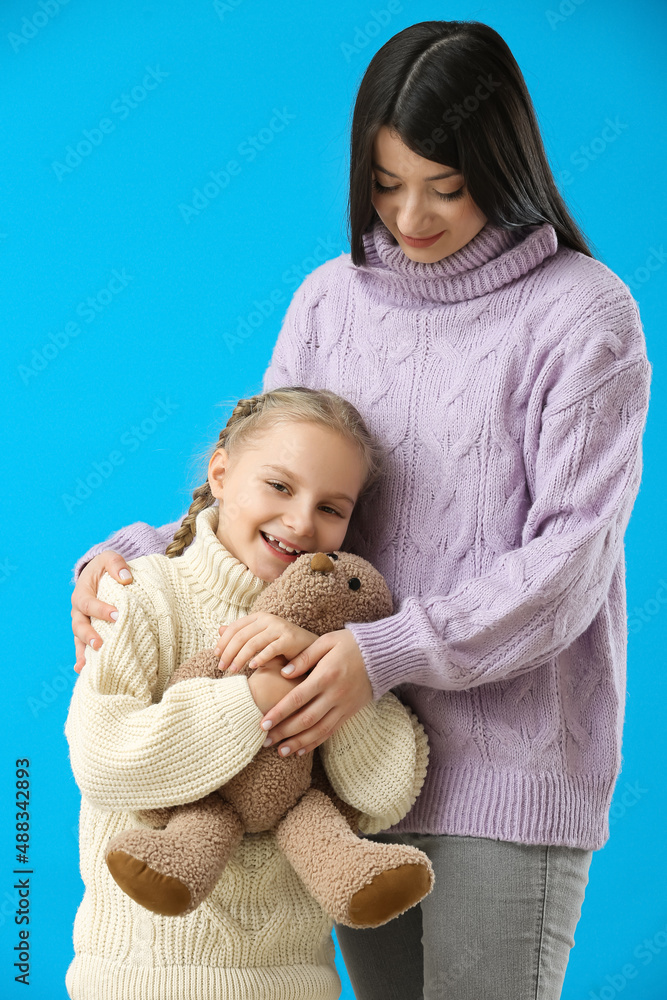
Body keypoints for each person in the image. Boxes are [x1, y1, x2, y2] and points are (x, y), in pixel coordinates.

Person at [69, 19, 652, 1000]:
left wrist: (379, 653)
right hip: (345, 768)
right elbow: (263, 482)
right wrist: (124, 558)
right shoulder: (331, 302)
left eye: (446, 185)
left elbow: (569, 563)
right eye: (384, 185)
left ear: (501, 165)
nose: (410, 216)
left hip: (501, 775)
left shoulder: (582, 314)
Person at [64, 386, 431, 1000]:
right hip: (142, 977)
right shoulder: (142, 595)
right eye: (280, 487)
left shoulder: (340, 638)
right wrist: (254, 696)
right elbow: (104, 758)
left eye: (332, 508)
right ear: (221, 472)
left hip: (293, 982)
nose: (301, 522)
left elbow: (386, 793)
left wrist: (315, 667)